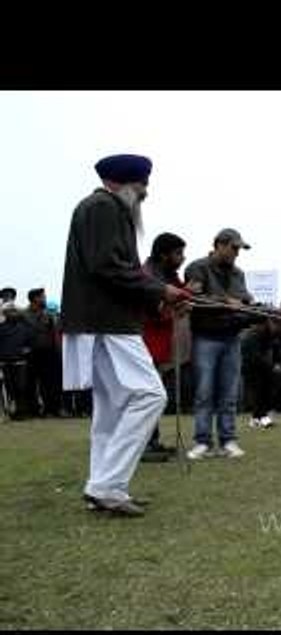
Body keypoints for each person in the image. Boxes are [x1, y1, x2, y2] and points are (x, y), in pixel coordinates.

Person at [60, 153, 191, 516]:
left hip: (104, 320)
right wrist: (161, 291)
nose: (146, 193)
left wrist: (159, 303)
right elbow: (107, 267)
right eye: (142, 185)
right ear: (123, 183)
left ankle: (105, 487)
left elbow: (116, 273)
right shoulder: (103, 207)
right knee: (150, 396)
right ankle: (106, 485)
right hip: (108, 323)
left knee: (112, 409)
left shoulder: (100, 208)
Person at [184, 228, 255, 460]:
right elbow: (194, 299)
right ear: (219, 245)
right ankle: (202, 442)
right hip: (205, 337)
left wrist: (252, 306)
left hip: (232, 338)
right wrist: (226, 301)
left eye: (239, 249)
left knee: (229, 393)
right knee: (204, 392)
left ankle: (228, 440)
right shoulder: (197, 267)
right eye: (234, 248)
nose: (237, 253)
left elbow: (244, 299)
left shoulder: (239, 274)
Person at [141, 233, 189, 461]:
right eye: (178, 253)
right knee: (146, 395)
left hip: (160, 345)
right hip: (144, 343)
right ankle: (142, 445)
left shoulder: (168, 275)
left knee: (154, 394)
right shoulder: (147, 275)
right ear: (164, 254)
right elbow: (150, 312)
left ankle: (153, 440)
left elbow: (182, 294)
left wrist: (188, 296)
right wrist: (174, 309)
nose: (182, 258)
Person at [24, 288, 61, 418]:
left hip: (49, 353)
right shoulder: (24, 315)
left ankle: (51, 410)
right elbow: (21, 334)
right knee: (31, 384)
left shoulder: (49, 315)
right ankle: (34, 410)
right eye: (43, 297)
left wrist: (57, 351)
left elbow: (55, 334)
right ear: (35, 299)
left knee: (50, 383)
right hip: (31, 354)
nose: (45, 299)